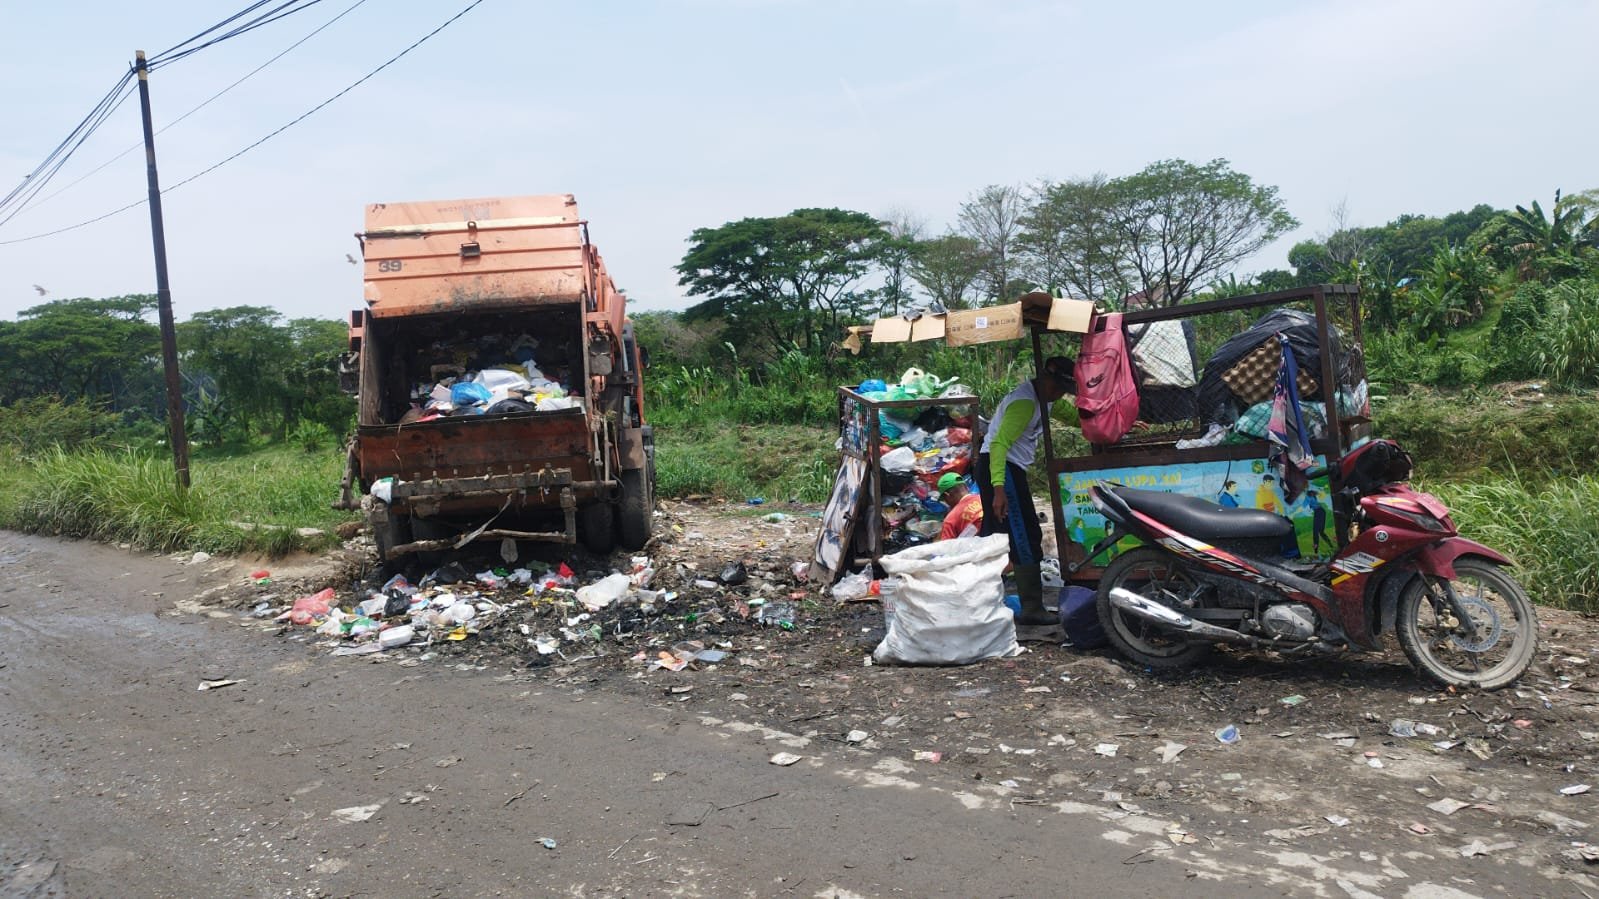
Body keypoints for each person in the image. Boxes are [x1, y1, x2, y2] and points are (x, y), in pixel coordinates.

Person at [978, 355, 1077, 627]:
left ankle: (978, 598)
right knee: (1024, 534)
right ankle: (1032, 607)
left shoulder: (1046, 399)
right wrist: (999, 489)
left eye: (1063, 391)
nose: (1059, 395)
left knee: (994, 535)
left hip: (1006, 469)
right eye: (1057, 388)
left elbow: (1072, 416)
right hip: (1002, 468)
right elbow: (999, 443)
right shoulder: (1024, 402)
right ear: (1045, 379)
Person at [936, 472, 983, 540]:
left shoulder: (950, 520)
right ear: (966, 487)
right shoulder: (985, 499)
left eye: (944, 499)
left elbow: (947, 548)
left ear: (947, 495)